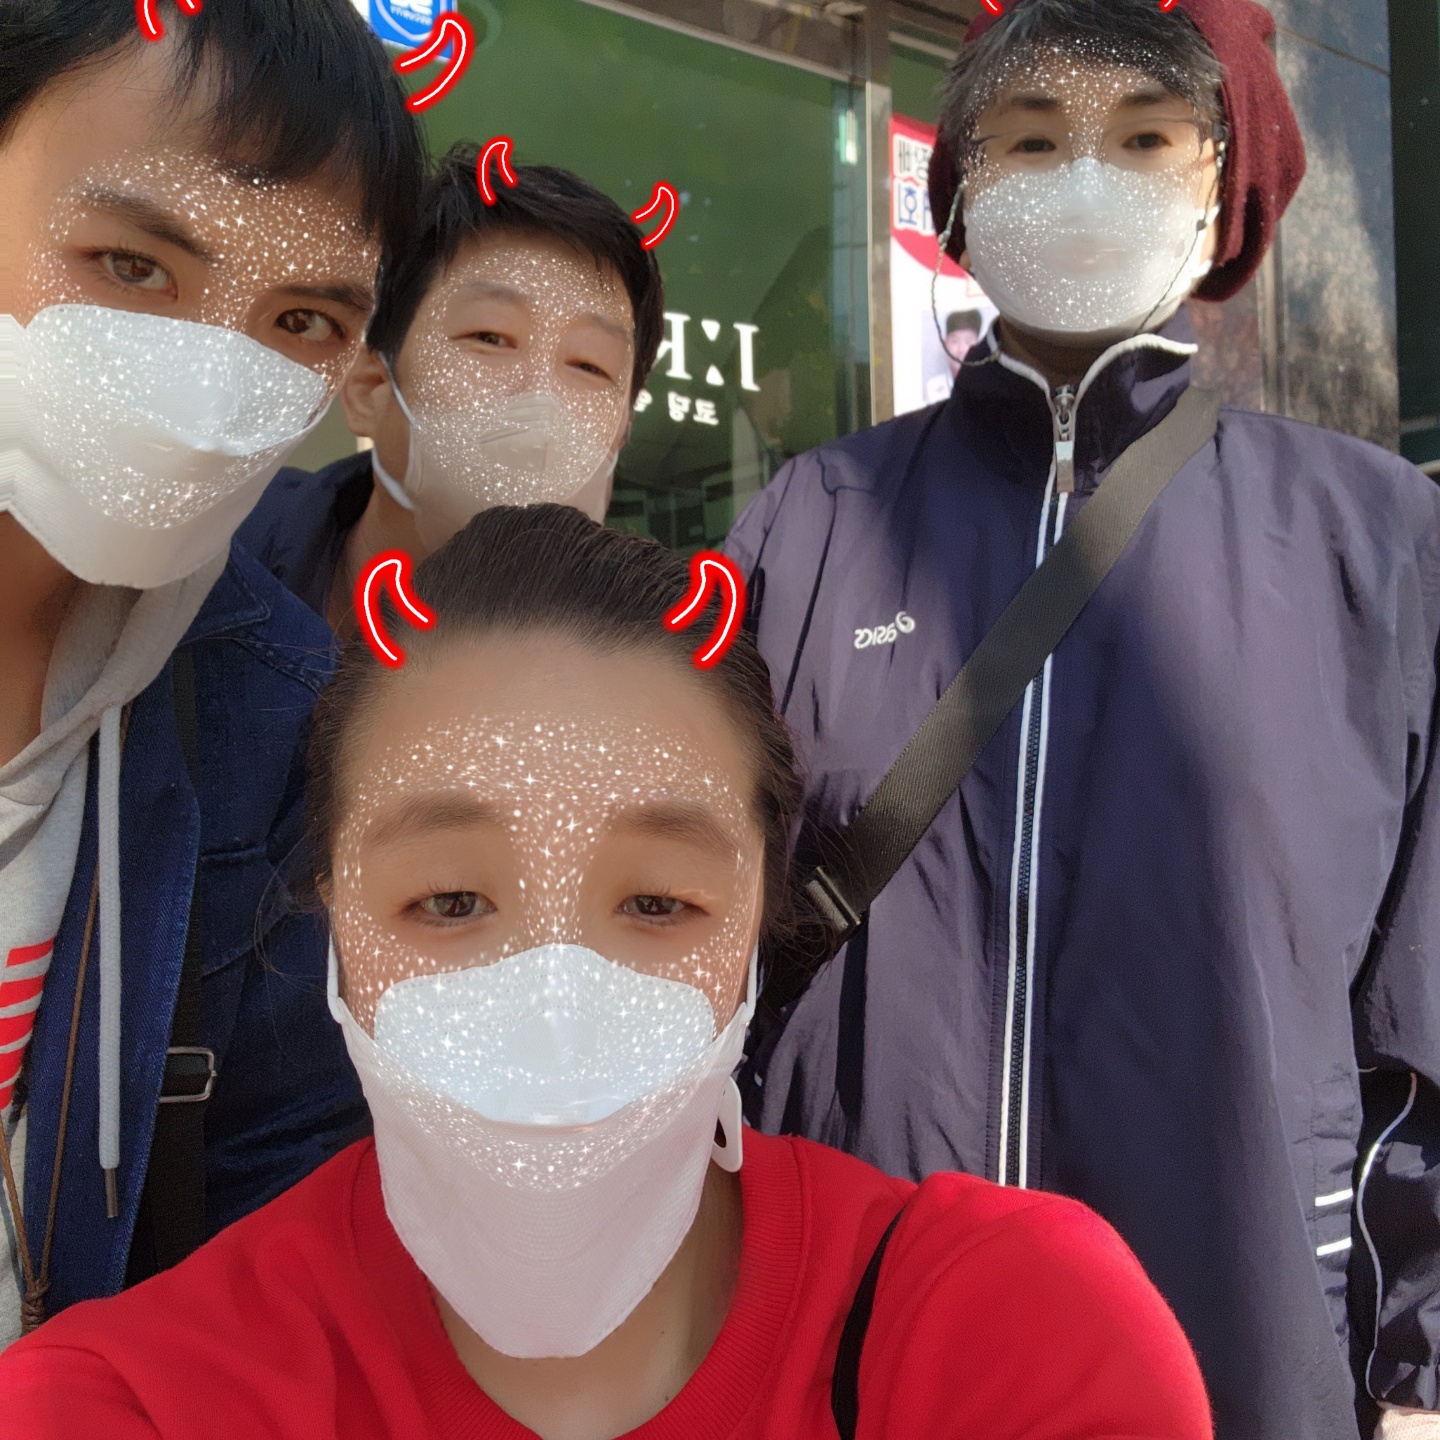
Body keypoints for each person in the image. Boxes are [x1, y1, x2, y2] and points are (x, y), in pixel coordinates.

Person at [0, 505, 1212, 1440]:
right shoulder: (131, 1402)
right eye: (452, 901)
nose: (554, 1005)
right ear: (332, 906)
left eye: (656, 903)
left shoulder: (1002, 1332)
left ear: (758, 912)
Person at [725, 1, 1440, 1437]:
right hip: (854, 1338)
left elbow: (1424, 997)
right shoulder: (810, 522)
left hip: (1236, 1342)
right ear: (959, 198)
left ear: (1215, 186)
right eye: (1034, 140)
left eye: (1144, 139)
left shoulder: (1375, 538)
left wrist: (1415, 1377)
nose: (1087, 175)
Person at [0, 0, 424, 1342]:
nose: (206, 381)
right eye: (130, 265)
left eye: (300, 318)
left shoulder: (279, 721)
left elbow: (277, 1249)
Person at [239, 148, 663, 631]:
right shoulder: (207, 566)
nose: (540, 396)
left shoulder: (641, 662)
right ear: (369, 386)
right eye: (490, 337)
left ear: (620, 435)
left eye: (590, 365)